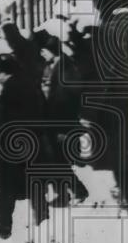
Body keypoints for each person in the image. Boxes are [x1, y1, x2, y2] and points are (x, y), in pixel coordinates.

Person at [0, 52, 49, 239]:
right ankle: (43, 222)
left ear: (1, 72)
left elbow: (7, 121)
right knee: (36, 185)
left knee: (6, 188)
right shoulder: (31, 84)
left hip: (14, 147)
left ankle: (4, 227)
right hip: (34, 143)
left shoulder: (9, 90)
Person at [84, 0, 128, 214]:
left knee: (124, 159)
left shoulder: (109, 30)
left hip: (120, 107)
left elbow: (105, 76)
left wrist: (90, 113)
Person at [33, 28, 90, 203]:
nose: (42, 55)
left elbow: (69, 99)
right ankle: (65, 194)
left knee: (58, 161)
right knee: (54, 160)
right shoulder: (54, 66)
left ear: (50, 50)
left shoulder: (65, 67)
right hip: (53, 122)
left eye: (43, 51)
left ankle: (78, 191)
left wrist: (63, 127)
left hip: (62, 123)